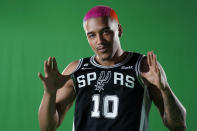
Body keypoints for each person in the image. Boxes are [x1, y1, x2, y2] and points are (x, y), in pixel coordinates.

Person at [38, 5, 186, 131]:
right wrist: (49, 93)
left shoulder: (144, 67)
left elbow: (178, 125)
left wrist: (165, 89)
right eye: (92, 35)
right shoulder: (76, 69)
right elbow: (48, 127)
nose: (99, 41)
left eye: (106, 32)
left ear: (119, 30)